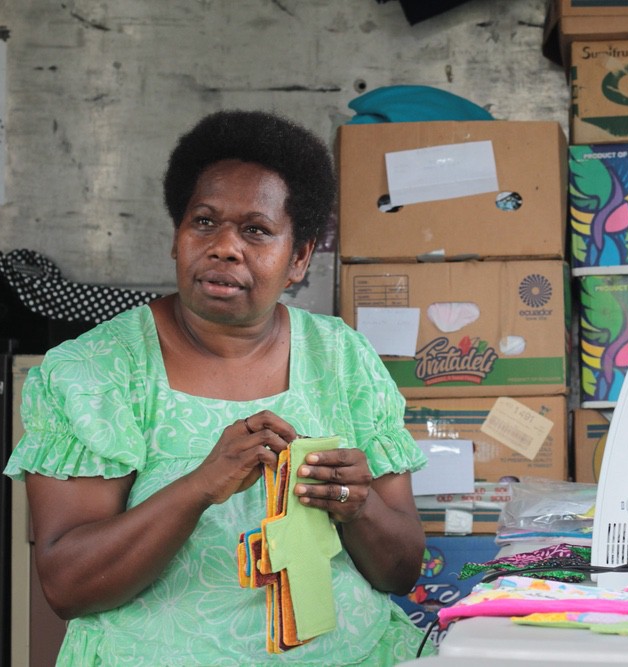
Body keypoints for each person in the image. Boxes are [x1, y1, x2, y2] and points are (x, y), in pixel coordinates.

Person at [3, 110, 432, 665]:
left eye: (256, 230)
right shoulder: (95, 370)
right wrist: (200, 485)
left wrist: (357, 505)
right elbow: (69, 587)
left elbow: (401, 572)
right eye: (203, 222)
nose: (224, 247)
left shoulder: (343, 357)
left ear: (299, 257)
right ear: (176, 238)